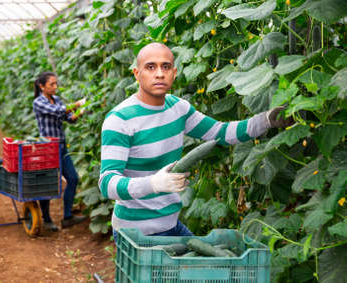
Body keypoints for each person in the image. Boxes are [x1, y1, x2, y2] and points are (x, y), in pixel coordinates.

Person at [99, 43, 292, 242]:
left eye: (165, 67)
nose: (159, 74)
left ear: (174, 73)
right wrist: (153, 183)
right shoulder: (120, 120)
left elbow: (221, 133)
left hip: (171, 224)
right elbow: (107, 183)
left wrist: (266, 120)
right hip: (135, 233)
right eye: (150, 67)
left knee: (201, 269)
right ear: (136, 74)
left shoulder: (178, 108)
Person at [33, 71, 87, 231]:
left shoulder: (56, 99)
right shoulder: (38, 102)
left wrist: (78, 112)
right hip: (47, 149)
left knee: (73, 178)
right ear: (42, 86)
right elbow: (58, 111)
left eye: (56, 84)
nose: (55, 87)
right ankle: (47, 219)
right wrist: (76, 105)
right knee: (48, 184)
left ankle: (68, 217)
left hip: (61, 147)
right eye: (52, 84)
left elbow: (69, 119)